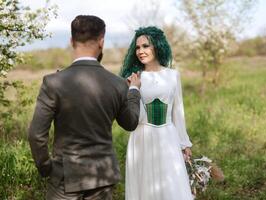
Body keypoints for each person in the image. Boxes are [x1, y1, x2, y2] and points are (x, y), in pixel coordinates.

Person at [28, 15, 141, 200]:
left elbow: (36, 135)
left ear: (71, 41)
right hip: (102, 177)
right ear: (101, 42)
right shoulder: (118, 84)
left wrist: (47, 168)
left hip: (64, 178)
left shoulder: (53, 82)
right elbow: (130, 123)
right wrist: (134, 91)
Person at [120, 26, 194, 200]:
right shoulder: (133, 77)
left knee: (171, 183)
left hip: (167, 136)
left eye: (146, 46)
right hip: (141, 137)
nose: (140, 51)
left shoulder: (173, 75)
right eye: (137, 47)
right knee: (145, 185)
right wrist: (132, 87)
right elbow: (130, 113)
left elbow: (178, 111)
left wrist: (184, 143)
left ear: (157, 46)